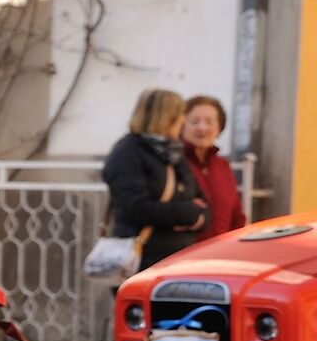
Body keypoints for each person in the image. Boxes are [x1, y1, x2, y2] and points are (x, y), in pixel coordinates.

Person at [103, 87, 207, 270]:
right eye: (180, 113)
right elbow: (134, 207)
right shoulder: (127, 152)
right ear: (166, 116)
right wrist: (188, 214)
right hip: (143, 260)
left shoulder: (174, 152)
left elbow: (202, 203)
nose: (183, 119)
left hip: (179, 260)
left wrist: (201, 217)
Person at [181, 94, 247, 239]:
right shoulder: (174, 162)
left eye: (209, 122)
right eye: (194, 121)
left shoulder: (222, 166)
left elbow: (236, 215)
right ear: (181, 125)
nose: (202, 128)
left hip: (222, 253)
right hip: (182, 255)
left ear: (219, 127)